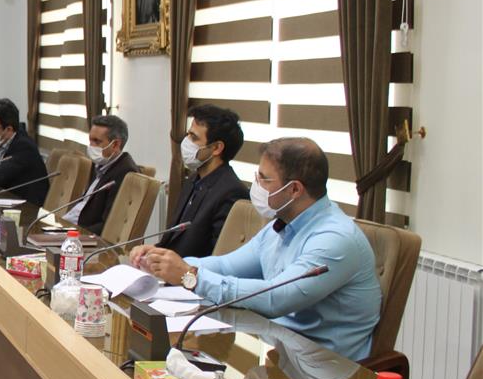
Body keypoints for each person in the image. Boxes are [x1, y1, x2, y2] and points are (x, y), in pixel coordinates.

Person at [132, 138, 381, 360]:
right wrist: (164, 262)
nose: (256, 185)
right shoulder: (281, 224)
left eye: (264, 179)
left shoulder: (334, 239)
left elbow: (276, 298)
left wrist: (191, 277)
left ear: (294, 189)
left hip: (326, 366)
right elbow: (228, 265)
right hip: (276, 346)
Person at [155, 104, 250, 258]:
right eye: (187, 135)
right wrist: (150, 252)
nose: (186, 142)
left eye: (194, 137)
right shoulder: (194, 179)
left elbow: (217, 257)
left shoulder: (232, 193)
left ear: (216, 148)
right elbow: (172, 239)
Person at [67, 114, 138, 233]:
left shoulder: (126, 173)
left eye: (97, 141)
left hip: (84, 234)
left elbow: (109, 224)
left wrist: (74, 234)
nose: (91, 146)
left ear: (115, 144)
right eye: (90, 140)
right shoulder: (100, 163)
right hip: (70, 224)